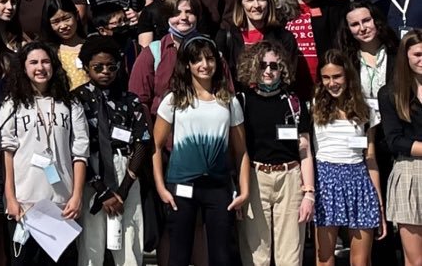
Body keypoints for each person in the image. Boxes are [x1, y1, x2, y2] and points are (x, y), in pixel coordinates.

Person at [150, 37, 250, 266]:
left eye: (210, 59)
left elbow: (241, 151)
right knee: (178, 256)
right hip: (181, 185)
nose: (205, 65)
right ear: (187, 64)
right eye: (197, 60)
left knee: (221, 257)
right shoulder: (174, 99)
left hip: (218, 187)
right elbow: (155, 145)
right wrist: (161, 187)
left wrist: (244, 192)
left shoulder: (229, 101)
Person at [0, 42, 89, 265]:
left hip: (62, 204)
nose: (40, 67)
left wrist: (77, 196)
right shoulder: (12, 104)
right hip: (24, 204)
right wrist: (10, 198)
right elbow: (7, 152)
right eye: (34, 62)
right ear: (24, 67)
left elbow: (80, 153)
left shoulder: (71, 103)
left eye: (45, 61)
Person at [231, 40, 315, 266]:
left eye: (274, 66)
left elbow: (305, 152)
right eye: (262, 65)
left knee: (290, 255)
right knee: (256, 254)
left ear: (282, 69)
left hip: (290, 178)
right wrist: (238, 188)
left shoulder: (294, 102)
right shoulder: (242, 101)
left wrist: (309, 193)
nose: (268, 71)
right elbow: (237, 151)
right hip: (255, 177)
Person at [72, 36, 150, 266]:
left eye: (111, 67)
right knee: (91, 243)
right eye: (98, 67)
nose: (105, 72)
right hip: (90, 171)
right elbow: (74, 146)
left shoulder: (129, 99)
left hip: (125, 168)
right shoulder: (76, 99)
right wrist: (102, 191)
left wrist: (122, 191)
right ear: (86, 67)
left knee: (129, 238)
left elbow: (142, 142)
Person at [310, 50, 386, 266]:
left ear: (348, 76)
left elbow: (370, 156)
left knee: (361, 261)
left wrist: (379, 202)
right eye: (326, 77)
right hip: (326, 180)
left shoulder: (366, 109)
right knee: (324, 257)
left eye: (337, 76)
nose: (332, 83)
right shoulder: (314, 105)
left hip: (359, 180)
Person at [377, 31, 422, 266]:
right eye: (418, 54)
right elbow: (394, 140)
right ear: (406, 56)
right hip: (409, 171)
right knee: (415, 259)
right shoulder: (390, 93)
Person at [276, 0, 350, 91]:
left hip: (324, 84)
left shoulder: (327, 9)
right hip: (290, 84)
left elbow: (345, 16)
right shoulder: (280, 14)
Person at [130, 0, 202, 113]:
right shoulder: (152, 53)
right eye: (176, 13)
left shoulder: (210, 51)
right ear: (167, 17)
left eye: (189, 12)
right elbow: (138, 100)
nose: (183, 17)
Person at [212, 0, 299, 71]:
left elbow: (288, 74)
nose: (256, 5)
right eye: (250, 0)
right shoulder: (227, 37)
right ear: (241, 4)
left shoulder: (284, 38)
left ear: (268, 2)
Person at [41, 0, 89, 90]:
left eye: (67, 18)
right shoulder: (49, 52)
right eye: (56, 22)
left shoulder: (91, 46)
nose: (63, 26)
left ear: (76, 16)